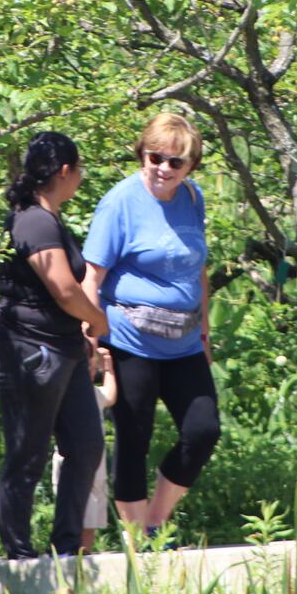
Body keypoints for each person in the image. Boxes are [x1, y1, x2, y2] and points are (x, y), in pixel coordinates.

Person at [81, 112, 221, 540]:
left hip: (184, 340)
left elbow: (198, 270)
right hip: (129, 336)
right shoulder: (121, 201)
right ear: (142, 154)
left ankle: (156, 523)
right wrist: (91, 341)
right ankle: (136, 537)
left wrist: (205, 331)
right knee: (134, 435)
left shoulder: (192, 198)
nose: (163, 168)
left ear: (190, 166)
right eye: (154, 157)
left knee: (203, 430)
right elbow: (92, 277)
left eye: (175, 162)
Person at [0, 130, 111, 559]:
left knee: (87, 445)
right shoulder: (34, 220)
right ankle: (18, 555)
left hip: (64, 348)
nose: (80, 179)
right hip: (28, 350)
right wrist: (98, 320)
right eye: (79, 171)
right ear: (64, 171)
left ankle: (68, 545)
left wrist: (81, 334)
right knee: (28, 452)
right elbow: (63, 289)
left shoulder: (48, 216)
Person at [50, 347, 119, 551]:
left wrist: (109, 366)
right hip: (72, 464)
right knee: (77, 511)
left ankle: (84, 553)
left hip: (97, 468)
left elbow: (111, 395)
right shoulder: (62, 394)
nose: (88, 367)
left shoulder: (94, 394)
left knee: (93, 518)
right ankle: (68, 551)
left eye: (90, 364)